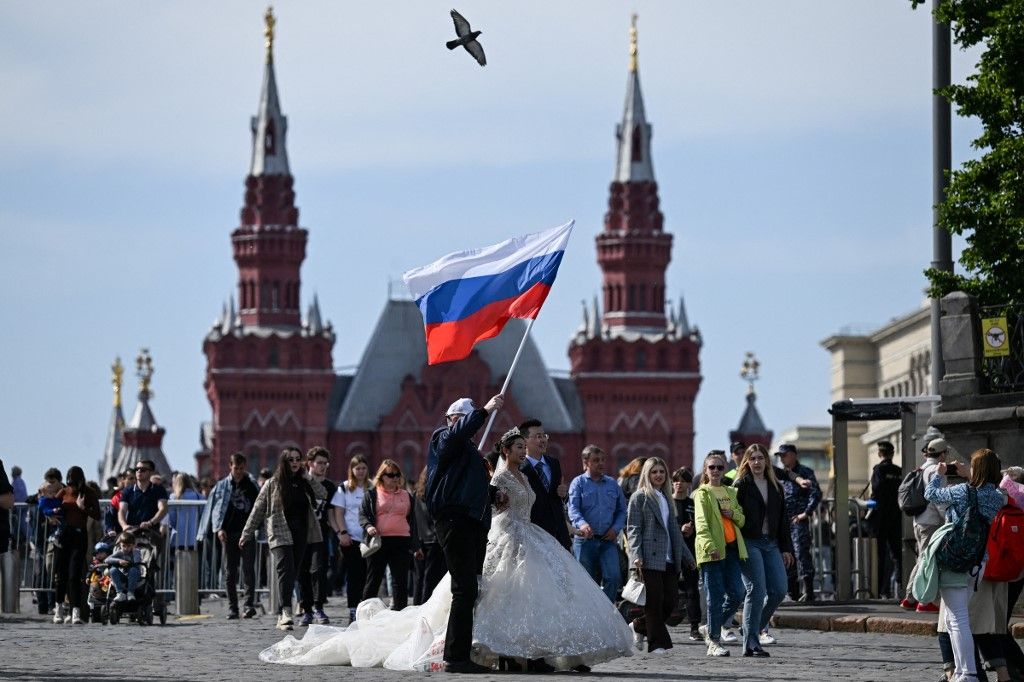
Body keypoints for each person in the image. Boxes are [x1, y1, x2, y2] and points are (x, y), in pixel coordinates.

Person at [258, 426, 634, 671]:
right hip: (504, 538)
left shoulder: (527, 473)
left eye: (526, 445)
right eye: (519, 445)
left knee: (530, 595)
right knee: (490, 593)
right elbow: (486, 498)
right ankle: (496, 650)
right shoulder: (498, 472)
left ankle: (536, 651)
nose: (525, 450)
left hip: (530, 538)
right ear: (506, 449)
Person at [918, 448, 1006, 682]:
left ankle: (967, 673)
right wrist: (971, 475)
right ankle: (960, 671)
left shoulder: (961, 491)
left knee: (957, 619)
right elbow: (984, 492)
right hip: (977, 562)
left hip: (954, 560)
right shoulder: (997, 497)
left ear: (976, 469)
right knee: (954, 618)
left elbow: (930, 493)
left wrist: (940, 471)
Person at [241, 447, 327, 631]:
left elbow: (323, 494)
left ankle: (282, 612)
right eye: (290, 460)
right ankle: (286, 611)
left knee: (292, 572)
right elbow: (258, 508)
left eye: (298, 459)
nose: (295, 463)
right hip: (280, 532)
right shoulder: (273, 483)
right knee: (285, 570)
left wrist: (309, 478)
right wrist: (247, 533)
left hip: (302, 533)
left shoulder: (305, 482)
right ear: (283, 462)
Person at [625, 456, 695, 654]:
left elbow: (675, 533)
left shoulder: (667, 498)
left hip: (669, 557)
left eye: (661, 472)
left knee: (670, 601)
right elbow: (633, 529)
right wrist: (636, 555)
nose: (658, 475)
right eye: (654, 472)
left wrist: (688, 558)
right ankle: (657, 643)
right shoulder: (640, 497)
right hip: (649, 557)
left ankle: (638, 625)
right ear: (647, 474)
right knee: (654, 602)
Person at [732, 444, 795, 657]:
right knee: (757, 590)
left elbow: (783, 520)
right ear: (747, 462)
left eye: (760, 458)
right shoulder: (741, 485)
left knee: (779, 589)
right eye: (753, 459)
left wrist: (786, 548)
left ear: (767, 461)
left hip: (771, 543)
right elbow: (733, 517)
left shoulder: (775, 485)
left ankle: (752, 627)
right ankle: (751, 644)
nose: (757, 462)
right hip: (750, 542)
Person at [694, 450, 746, 657]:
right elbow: (701, 523)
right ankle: (714, 642)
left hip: (732, 549)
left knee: (737, 593)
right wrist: (709, 546)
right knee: (714, 597)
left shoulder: (731, 492)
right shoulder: (702, 493)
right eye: (711, 467)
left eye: (719, 467)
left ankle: (710, 626)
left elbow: (742, 519)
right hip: (712, 551)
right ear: (705, 471)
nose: (715, 470)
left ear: (725, 470)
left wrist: (732, 514)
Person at [198, 452, 259, 619]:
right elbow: (216, 509)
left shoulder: (252, 485)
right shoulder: (222, 486)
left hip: (247, 532)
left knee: (248, 570)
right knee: (230, 571)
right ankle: (233, 608)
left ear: (244, 467)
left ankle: (248, 605)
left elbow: (259, 507)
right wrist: (218, 528)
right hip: (228, 533)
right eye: (235, 468)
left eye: (241, 468)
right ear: (230, 467)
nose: (238, 471)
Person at [567, 444, 627, 602]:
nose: (601, 463)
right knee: (586, 582)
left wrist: (615, 528)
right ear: (586, 462)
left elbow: (622, 510)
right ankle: (589, 617)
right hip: (585, 542)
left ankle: (606, 613)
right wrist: (582, 524)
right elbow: (573, 509)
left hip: (608, 542)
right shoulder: (578, 483)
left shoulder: (613, 484)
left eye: (602, 460)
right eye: (596, 460)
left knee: (613, 577)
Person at [359, 459, 419, 612]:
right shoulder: (372, 494)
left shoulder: (406, 495)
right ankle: (365, 612)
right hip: (379, 541)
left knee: (400, 581)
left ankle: (400, 614)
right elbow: (363, 515)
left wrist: (416, 545)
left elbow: (413, 521)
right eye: (391, 475)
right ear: (381, 476)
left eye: (397, 475)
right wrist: (369, 526)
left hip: (401, 541)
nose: (395, 478)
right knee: (374, 579)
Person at [902, 438, 949, 612]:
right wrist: (948, 519)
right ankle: (925, 600)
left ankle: (911, 598)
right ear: (942, 453)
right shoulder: (937, 470)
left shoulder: (921, 468)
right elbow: (938, 498)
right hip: (931, 521)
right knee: (928, 561)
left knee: (923, 558)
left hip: (919, 520)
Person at [51, 465, 101, 625]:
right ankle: (58, 608)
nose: (71, 486)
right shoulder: (64, 492)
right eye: (69, 483)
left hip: (79, 536)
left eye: (74, 483)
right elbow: (52, 506)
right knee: (61, 575)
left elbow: (98, 514)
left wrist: (83, 508)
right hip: (64, 535)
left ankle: (75, 611)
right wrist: (52, 514)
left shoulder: (89, 493)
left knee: (74, 575)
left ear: (81, 482)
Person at [329, 453, 370, 624]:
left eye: (363, 468)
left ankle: (366, 608)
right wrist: (342, 533)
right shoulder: (344, 488)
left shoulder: (373, 487)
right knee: (353, 575)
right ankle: (353, 609)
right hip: (351, 539)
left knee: (368, 575)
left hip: (369, 539)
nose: (360, 471)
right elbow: (338, 512)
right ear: (352, 470)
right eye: (357, 468)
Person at [777, 443, 821, 602]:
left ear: (793, 454)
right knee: (787, 555)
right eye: (780, 456)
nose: (781, 459)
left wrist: (805, 513)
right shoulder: (781, 474)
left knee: (801, 553)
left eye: (784, 455)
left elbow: (815, 494)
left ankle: (809, 592)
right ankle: (792, 592)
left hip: (798, 520)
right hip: (784, 522)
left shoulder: (805, 472)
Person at [520, 418, 571, 550]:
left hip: (559, 534)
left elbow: (558, 498)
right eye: (538, 436)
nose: (543, 440)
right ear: (525, 440)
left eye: (544, 436)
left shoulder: (554, 463)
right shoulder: (520, 468)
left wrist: (564, 494)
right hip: (534, 533)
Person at [298, 446, 336, 626]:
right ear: (310, 464)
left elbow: (331, 514)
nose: (323, 466)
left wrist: (339, 532)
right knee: (303, 572)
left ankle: (319, 607)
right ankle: (306, 610)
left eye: (325, 463)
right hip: (301, 534)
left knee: (318, 569)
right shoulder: (301, 483)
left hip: (321, 534)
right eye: (319, 463)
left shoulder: (329, 487)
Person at [671, 466, 702, 641]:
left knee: (692, 590)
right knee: (668, 589)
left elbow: (701, 525)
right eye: (676, 481)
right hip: (671, 552)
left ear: (689, 484)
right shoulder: (668, 503)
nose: (679, 484)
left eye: (683, 481)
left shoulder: (693, 504)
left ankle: (694, 626)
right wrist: (679, 529)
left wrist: (693, 530)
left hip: (690, 551)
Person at [869, 441, 903, 599]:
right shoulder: (898, 471)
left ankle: (880, 590)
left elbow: (876, 490)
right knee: (897, 554)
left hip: (881, 517)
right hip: (896, 517)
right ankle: (900, 586)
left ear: (879, 453)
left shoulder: (879, 470)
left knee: (880, 555)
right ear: (892, 453)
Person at [412, 466, 445, 606]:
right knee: (431, 580)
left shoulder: (415, 495)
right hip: (435, 541)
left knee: (419, 579)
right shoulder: (436, 494)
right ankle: (424, 608)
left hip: (420, 541)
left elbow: (413, 521)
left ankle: (416, 606)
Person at [118, 460, 169, 539]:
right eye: (137, 469)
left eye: (143, 470)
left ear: (151, 472)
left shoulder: (159, 490)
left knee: (153, 549)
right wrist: (124, 525)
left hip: (151, 531)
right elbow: (122, 510)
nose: (139, 471)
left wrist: (150, 523)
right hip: (132, 531)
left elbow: (163, 509)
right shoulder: (128, 491)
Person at [164, 472, 203, 550]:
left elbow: (172, 519)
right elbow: (202, 516)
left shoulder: (174, 497)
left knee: (178, 561)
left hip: (178, 537)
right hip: (195, 537)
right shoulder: (199, 497)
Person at [106, 531, 143, 602]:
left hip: (134, 575)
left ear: (133, 545)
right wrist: (119, 561)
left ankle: (130, 592)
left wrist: (130, 557)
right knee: (112, 570)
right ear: (120, 545)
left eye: (129, 546)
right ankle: (120, 593)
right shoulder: (120, 552)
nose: (126, 548)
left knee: (133, 570)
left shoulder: (136, 552)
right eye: (124, 546)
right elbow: (107, 559)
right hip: (123, 575)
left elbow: (136, 561)